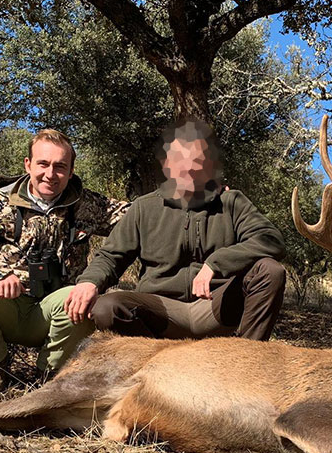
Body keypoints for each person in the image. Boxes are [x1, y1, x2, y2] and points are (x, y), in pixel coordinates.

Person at [0, 129, 127, 395]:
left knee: (86, 297)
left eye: (60, 167)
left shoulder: (87, 204)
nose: (50, 174)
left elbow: (138, 217)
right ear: (28, 165)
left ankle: (50, 373)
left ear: (71, 171)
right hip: (7, 305)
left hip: (58, 311)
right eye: (43, 164)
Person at [65, 118, 287, 341]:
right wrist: (89, 282)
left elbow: (270, 239)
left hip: (215, 307)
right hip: (161, 310)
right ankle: (154, 363)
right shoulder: (145, 207)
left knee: (270, 271)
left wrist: (215, 264)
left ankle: (245, 360)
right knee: (107, 308)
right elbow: (111, 256)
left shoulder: (231, 202)